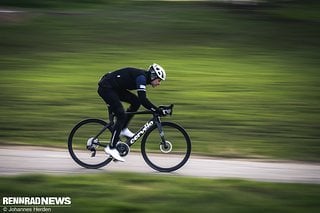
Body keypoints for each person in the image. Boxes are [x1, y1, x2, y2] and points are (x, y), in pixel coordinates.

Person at [97, 63, 166, 162]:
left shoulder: (144, 78)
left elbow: (140, 101)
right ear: (153, 76)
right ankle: (111, 148)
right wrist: (157, 110)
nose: (159, 83)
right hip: (106, 88)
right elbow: (143, 99)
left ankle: (123, 129)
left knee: (135, 102)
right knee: (121, 115)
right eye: (159, 80)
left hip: (115, 87)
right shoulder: (141, 78)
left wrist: (156, 109)